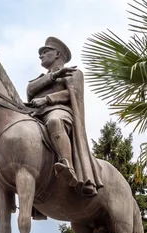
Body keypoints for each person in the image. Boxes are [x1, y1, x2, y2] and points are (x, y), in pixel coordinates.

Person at [27, 37, 103, 197]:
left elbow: (72, 94)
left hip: (60, 111)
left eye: (45, 52)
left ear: (57, 54)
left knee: (55, 121)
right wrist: (53, 76)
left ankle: (66, 165)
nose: (41, 55)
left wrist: (47, 99)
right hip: (36, 114)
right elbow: (30, 89)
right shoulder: (41, 78)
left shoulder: (74, 73)